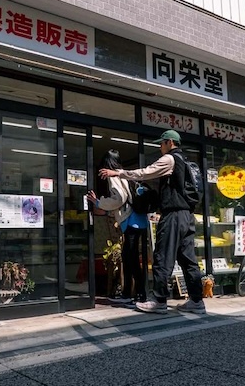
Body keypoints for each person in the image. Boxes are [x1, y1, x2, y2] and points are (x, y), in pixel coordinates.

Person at [99, 130, 205, 315]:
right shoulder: (185, 161)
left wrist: (118, 173)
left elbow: (144, 173)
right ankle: (196, 301)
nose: (160, 147)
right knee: (188, 260)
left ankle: (159, 300)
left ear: (170, 142)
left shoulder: (170, 159)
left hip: (173, 215)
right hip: (187, 216)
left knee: (162, 257)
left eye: (162, 143)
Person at [87, 150, 132, 304]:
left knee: (128, 258)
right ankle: (136, 293)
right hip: (136, 219)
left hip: (128, 220)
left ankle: (128, 294)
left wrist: (98, 202)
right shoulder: (123, 174)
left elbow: (119, 199)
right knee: (130, 258)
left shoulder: (114, 177)